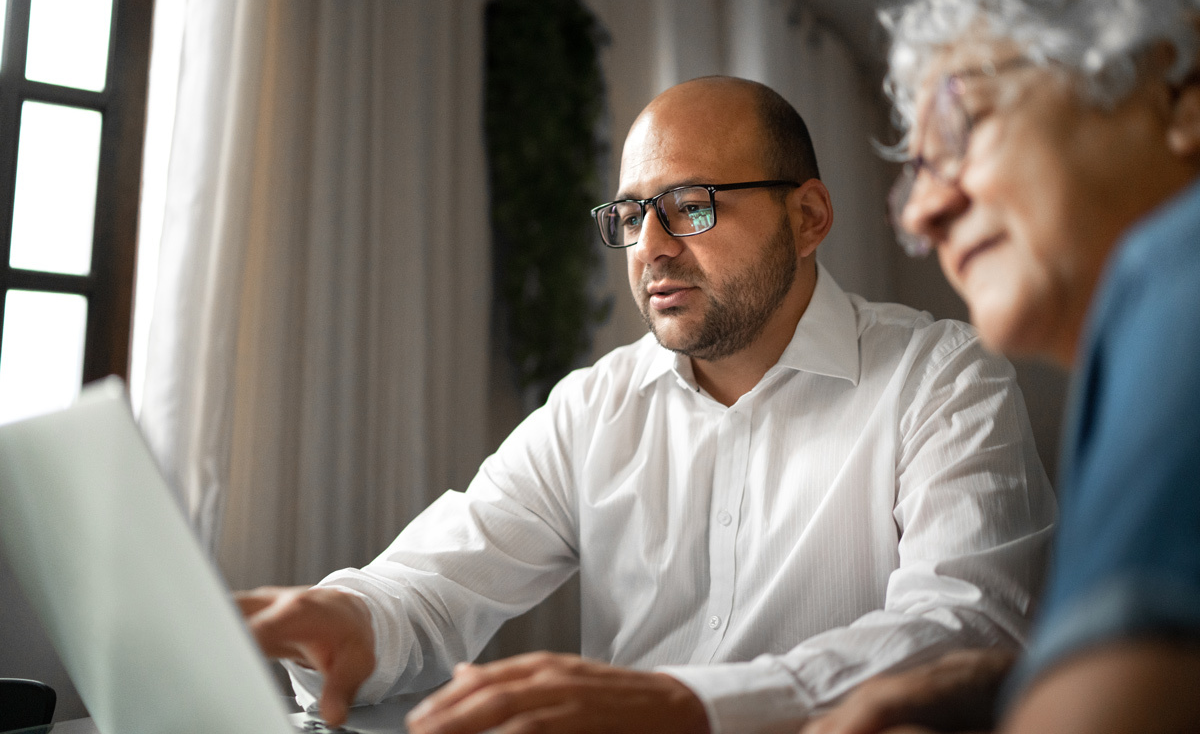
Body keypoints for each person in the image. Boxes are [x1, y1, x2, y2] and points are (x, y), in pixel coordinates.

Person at [237, 76, 1055, 734]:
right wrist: (351, 619)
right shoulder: (594, 407)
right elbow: (436, 586)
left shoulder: (942, 378)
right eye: (631, 215)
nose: (652, 248)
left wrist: (690, 706)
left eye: (691, 205)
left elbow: (966, 630)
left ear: (807, 218)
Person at [802, 0, 1200, 733]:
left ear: (1180, 99)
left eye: (964, 126)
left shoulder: (1176, 268)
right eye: (915, 177)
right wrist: (1022, 683)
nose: (923, 213)